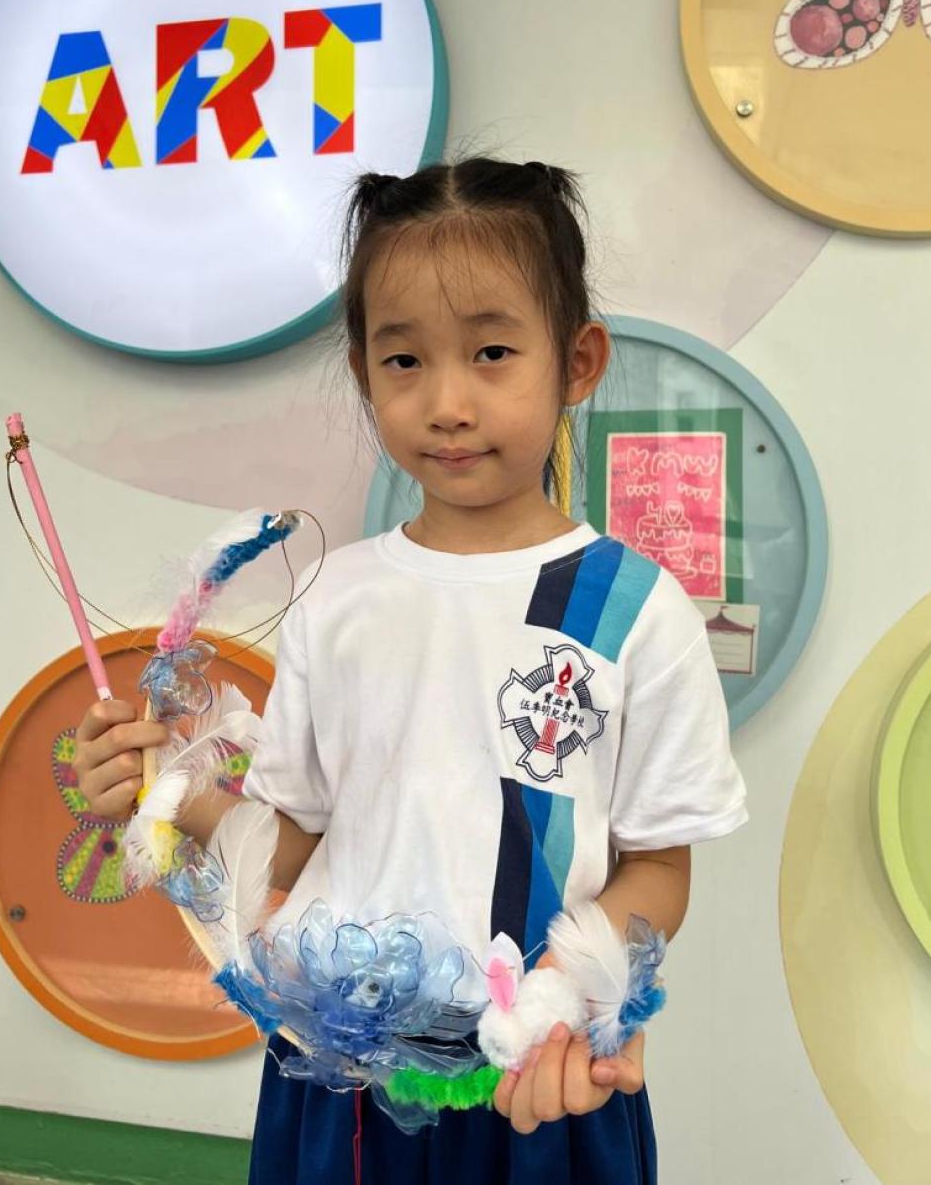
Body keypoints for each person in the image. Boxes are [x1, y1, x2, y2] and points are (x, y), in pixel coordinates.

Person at [73, 157, 748, 1185]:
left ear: (576, 361)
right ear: (363, 371)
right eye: (403, 360)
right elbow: (298, 842)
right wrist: (165, 788)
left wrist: (561, 995)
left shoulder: (633, 609)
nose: (447, 402)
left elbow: (658, 867)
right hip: (332, 1085)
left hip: (537, 1081)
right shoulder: (337, 599)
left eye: (491, 351)